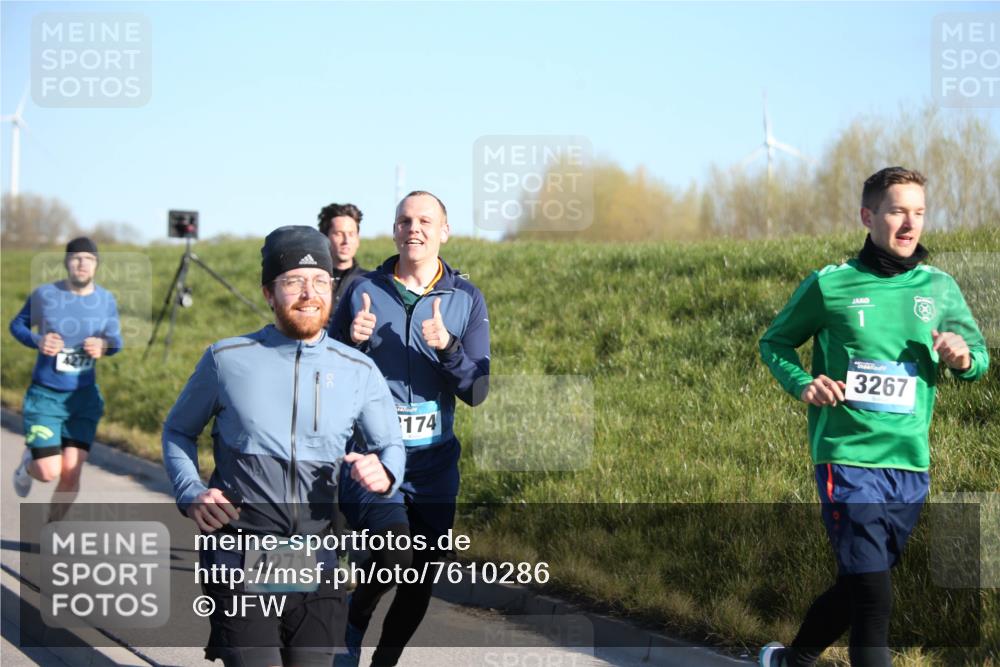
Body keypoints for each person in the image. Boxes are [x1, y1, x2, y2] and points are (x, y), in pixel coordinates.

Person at [757, 167, 989, 667]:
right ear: (868, 216)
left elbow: (979, 360)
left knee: (860, 584)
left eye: (919, 212)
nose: (910, 224)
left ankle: (791, 660)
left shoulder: (939, 288)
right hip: (847, 457)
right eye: (897, 211)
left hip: (908, 463)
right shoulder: (831, 285)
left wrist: (962, 358)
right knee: (873, 598)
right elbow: (774, 342)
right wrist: (803, 383)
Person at [162, 226, 405, 667]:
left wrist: (386, 472)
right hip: (239, 554)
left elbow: (390, 445)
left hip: (319, 559)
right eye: (293, 281)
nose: (309, 294)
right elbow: (178, 431)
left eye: (320, 282)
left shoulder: (358, 370)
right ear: (269, 293)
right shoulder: (226, 360)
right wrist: (191, 490)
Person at [330, 190, 491, 667]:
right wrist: (349, 342)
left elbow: (477, 390)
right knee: (393, 556)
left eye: (425, 221)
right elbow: (326, 377)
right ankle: (354, 618)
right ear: (395, 230)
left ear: (445, 231)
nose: (413, 228)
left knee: (420, 578)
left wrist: (448, 348)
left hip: (435, 465)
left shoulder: (465, 299)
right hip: (374, 460)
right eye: (404, 221)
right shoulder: (363, 290)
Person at [10, 237, 122, 519]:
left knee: (71, 472)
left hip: (83, 398)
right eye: (76, 257)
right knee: (48, 471)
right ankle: (27, 465)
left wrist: (104, 345)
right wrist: (37, 340)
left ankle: (52, 530)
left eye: (89, 259)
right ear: (66, 262)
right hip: (46, 396)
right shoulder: (45, 294)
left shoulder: (106, 300)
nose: (82, 263)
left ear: (96, 265)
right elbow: (17, 325)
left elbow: (116, 341)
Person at [318, 202, 367, 313]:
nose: (346, 241)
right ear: (325, 238)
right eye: (338, 234)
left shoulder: (370, 282)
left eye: (351, 234)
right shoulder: (311, 282)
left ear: (358, 239)